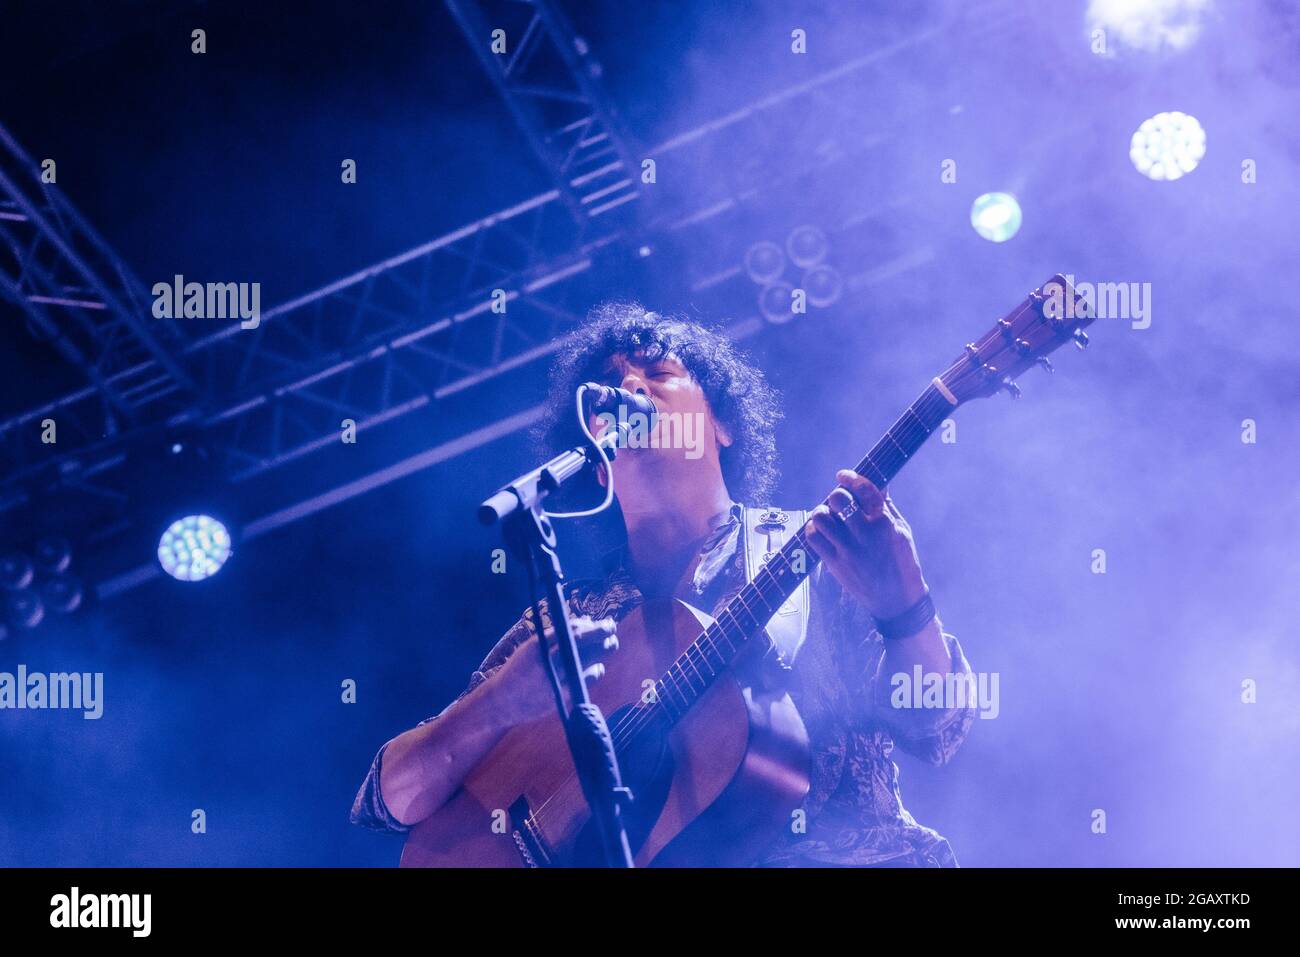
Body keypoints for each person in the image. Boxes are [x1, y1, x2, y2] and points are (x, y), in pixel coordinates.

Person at [351, 303, 977, 866]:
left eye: (658, 372)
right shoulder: (569, 623)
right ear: (595, 456)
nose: (627, 387)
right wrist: (497, 704)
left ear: (723, 425)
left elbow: (937, 731)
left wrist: (905, 608)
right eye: (609, 388)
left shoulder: (819, 550)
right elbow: (390, 801)